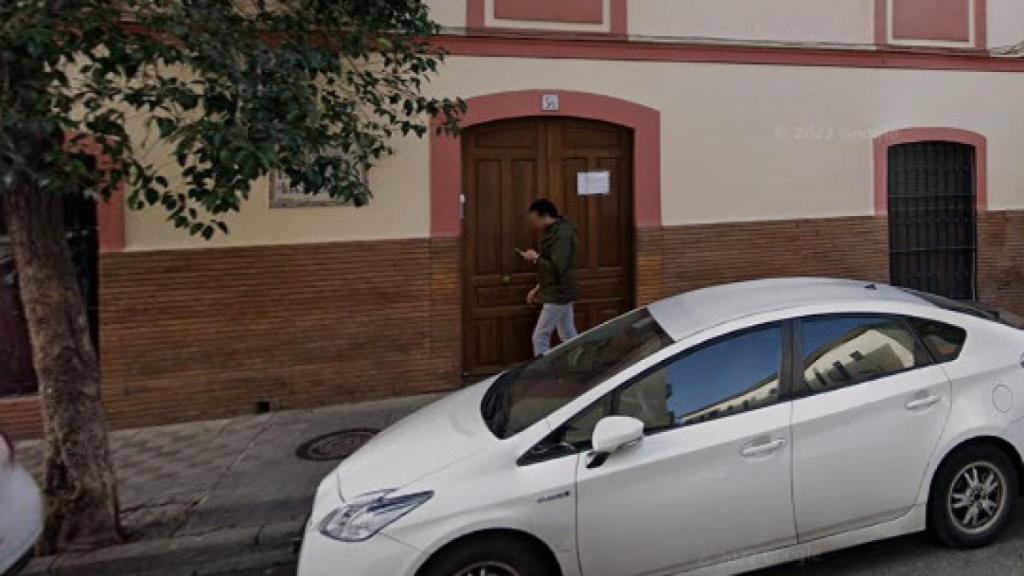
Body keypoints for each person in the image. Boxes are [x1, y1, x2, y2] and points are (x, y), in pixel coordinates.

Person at [519, 199, 580, 356]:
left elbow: (558, 267)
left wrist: (536, 258)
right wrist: (538, 288)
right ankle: (580, 363)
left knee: (540, 336)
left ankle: (542, 371)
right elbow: (550, 267)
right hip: (559, 290)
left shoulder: (563, 234)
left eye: (535, 220)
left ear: (545, 215)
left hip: (559, 292)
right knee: (568, 334)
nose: (533, 224)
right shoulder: (552, 231)